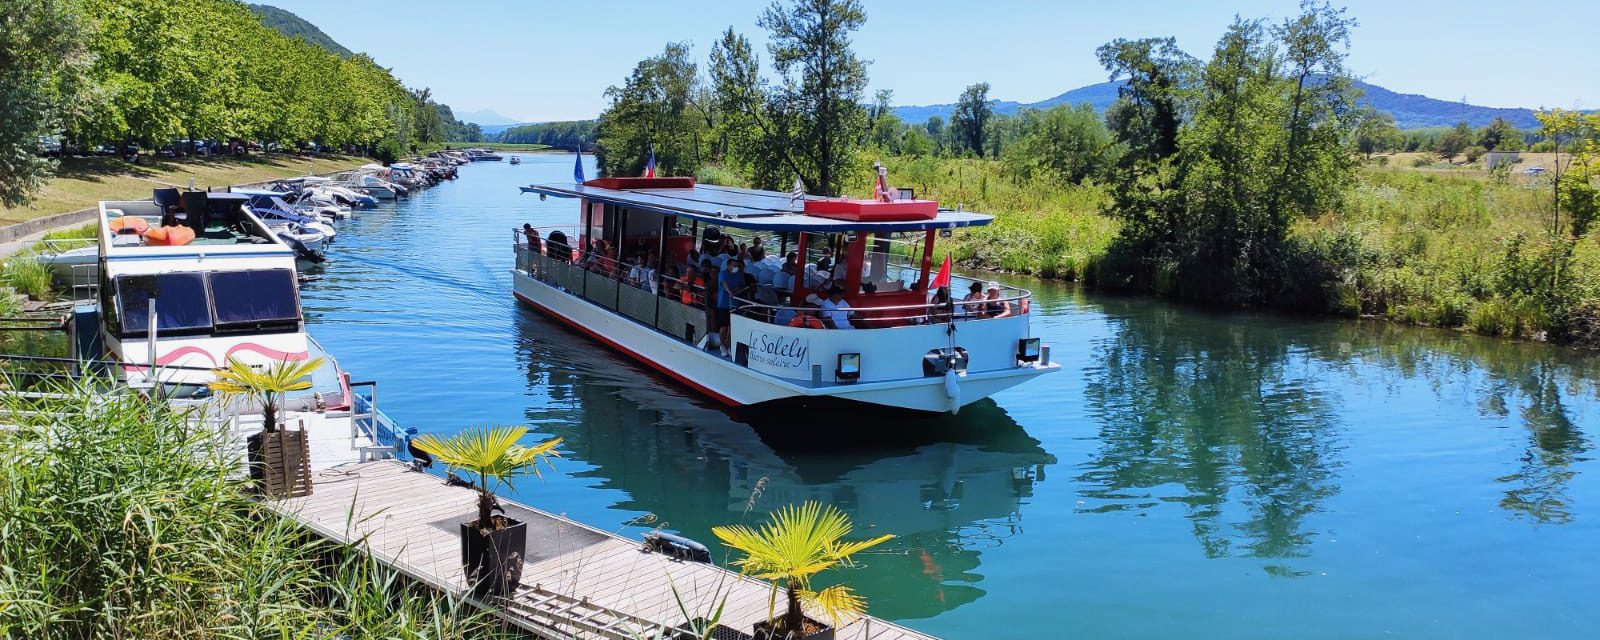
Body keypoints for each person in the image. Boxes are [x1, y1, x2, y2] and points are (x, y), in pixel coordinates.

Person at [715, 259, 745, 356]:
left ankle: (728, 345)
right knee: (724, 326)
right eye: (734, 265)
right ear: (728, 266)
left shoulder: (739, 274)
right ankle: (722, 345)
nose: (736, 267)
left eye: (737, 265)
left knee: (731, 326)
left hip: (734, 304)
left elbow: (742, 285)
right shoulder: (722, 273)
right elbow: (724, 283)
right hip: (723, 304)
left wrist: (737, 289)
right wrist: (730, 292)